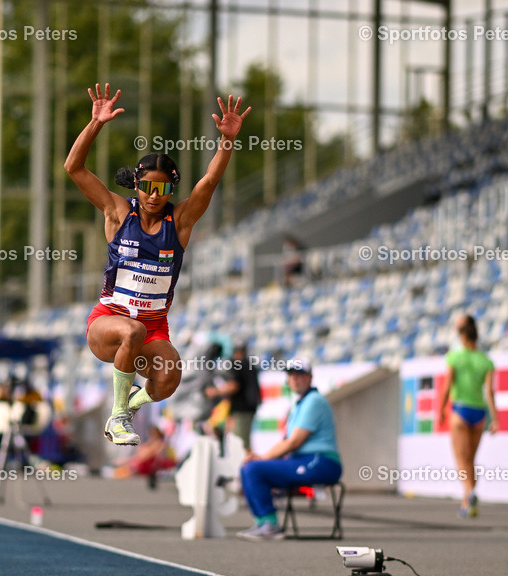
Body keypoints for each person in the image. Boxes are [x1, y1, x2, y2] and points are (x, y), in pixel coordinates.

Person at [66, 82, 250, 446]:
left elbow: (210, 180)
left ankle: (124, 405)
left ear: (172, 190)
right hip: (107, 324)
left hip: (153, 329)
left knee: (169, 379)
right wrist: (95, 124)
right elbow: (74, 168)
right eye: (147, 188)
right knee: (131, 331)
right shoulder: (118, 213)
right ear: (136, 185)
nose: (154, 197)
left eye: (163, 190)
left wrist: (227, 140)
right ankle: (119, 416)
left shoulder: (179, 223)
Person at [237, 359, 342, 541]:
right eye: (291, 375)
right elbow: (287, 442)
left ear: (309, 378)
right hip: (304, 460)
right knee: (248, 468)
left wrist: (262, 459)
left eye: (299, 375)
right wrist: (261, 458)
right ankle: (264, 522)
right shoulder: (300, 404)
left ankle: (270, 526)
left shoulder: (314, 401)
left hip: (322, 462)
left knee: (254, 468)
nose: (294, 379)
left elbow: (294, 442)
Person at [438, 316, 498, 518]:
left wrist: (440, 410)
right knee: (471, 459)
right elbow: (489, 392)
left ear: (463, 337)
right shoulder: (486, 360)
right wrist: (495, 418)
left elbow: (447, 386)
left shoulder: (455, 357)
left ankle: (468, 492)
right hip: (479, 412)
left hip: (460, 410)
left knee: (461, 459)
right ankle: (468, 501)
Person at [205, 343, 261, 451]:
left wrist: (215, 391)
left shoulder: (238, 364)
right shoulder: (249, 364)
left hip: (242, 409)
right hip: (247, 408)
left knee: (241, 443)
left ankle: (249, 466)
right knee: (241, 441)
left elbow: (234, 386)